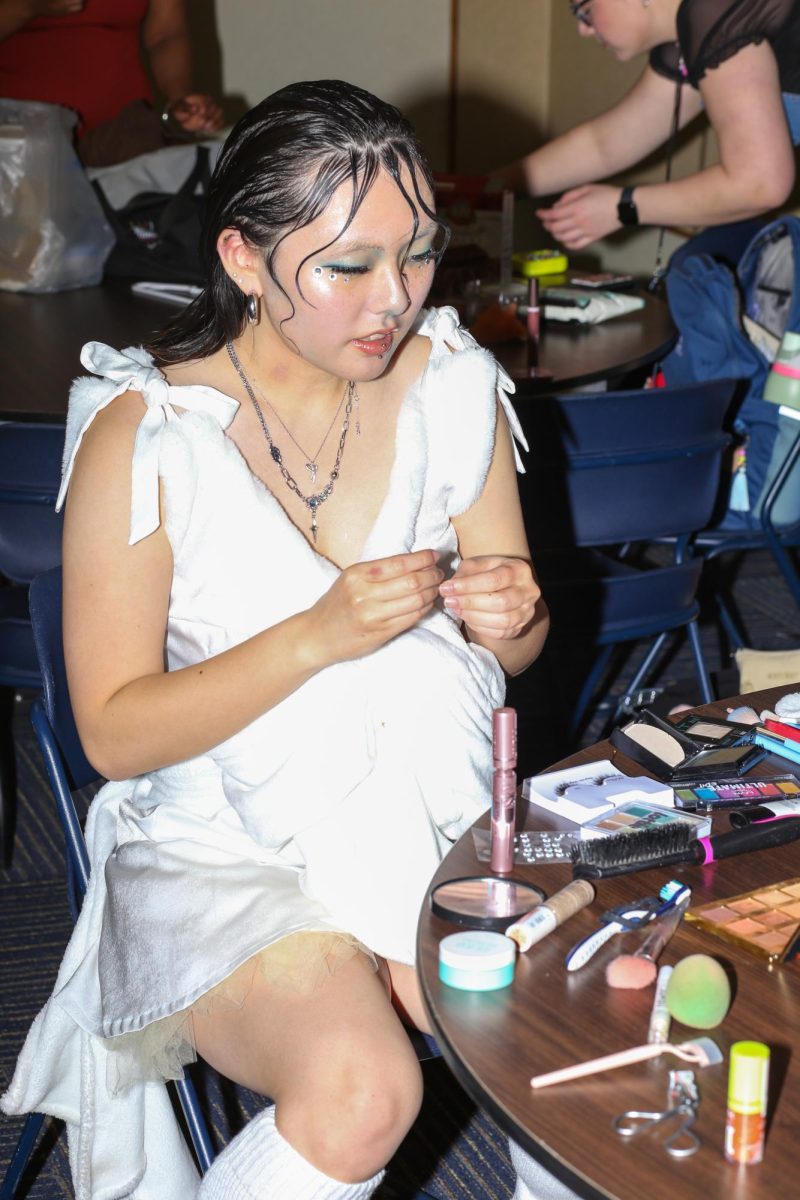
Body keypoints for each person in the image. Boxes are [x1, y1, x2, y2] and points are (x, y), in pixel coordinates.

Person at [2, 80, 552, 1199]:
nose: (392, 298)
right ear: (245, 259)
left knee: (557, 1047)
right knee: (362, 1092)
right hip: (216, 848)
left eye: (416, 256)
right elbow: (112, 735)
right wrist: (315, 636)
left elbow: (514, 648)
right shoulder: (147, 433)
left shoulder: (451, 385)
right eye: (346, 266)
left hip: (420, 811)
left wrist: (517, 616)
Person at [497, 0, 800, 251]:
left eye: (584, 10)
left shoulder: (716, 15)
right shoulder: (698, 28)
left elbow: (759, 184)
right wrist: (487, 189)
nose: (583, 29)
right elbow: (604, 145)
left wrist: (623, 207)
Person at [0, 0, 223, 163]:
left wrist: (178, 100)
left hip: (126, 140)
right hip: (21, 149)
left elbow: (166, 36)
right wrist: (25, 7)